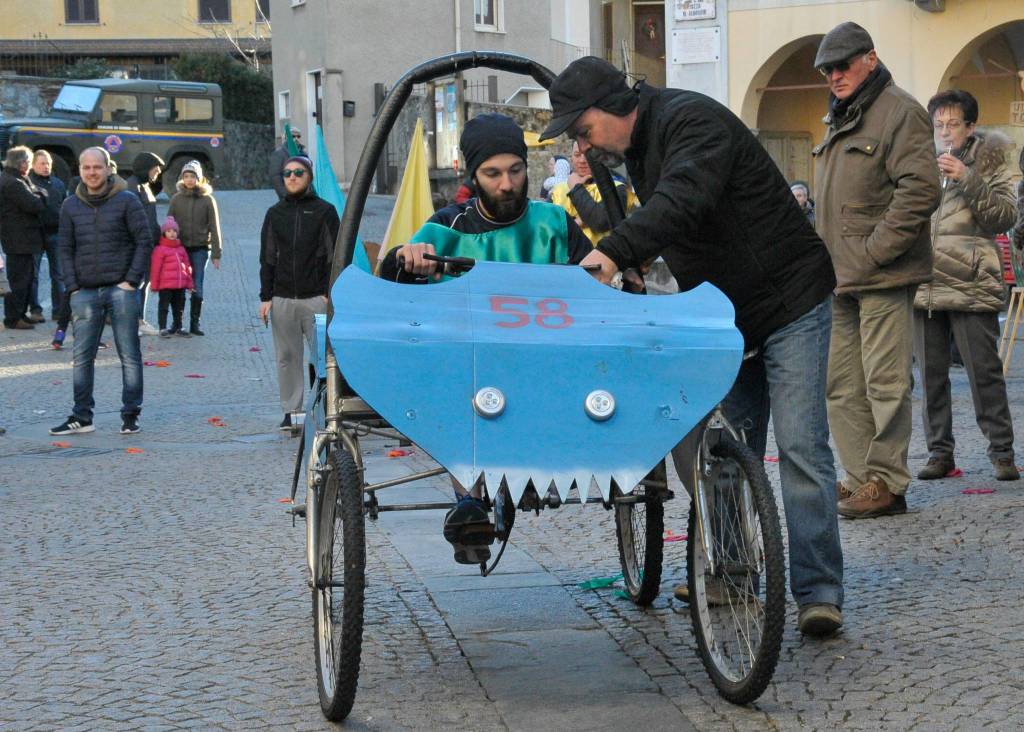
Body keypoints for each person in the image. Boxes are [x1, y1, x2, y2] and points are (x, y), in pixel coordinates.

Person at [541, 55, 844, 636]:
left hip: (789, 300)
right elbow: (680, 225)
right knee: (723, 452)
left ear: (610, 107)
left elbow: (684, 200)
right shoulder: (635, 146)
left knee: (803, 448)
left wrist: (616, 251)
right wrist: (638, 264)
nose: (580, 145)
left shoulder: (690, 120)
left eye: (582, 130)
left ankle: (817, 592)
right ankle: (731, 573)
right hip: (726, 315)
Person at [380, 113, 600, 566]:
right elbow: (393, 278)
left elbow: (598, 282)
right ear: (472, 174)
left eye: (516, 171)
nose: (507, 185)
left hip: (548, 362)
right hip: (472, 366)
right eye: (493, 174)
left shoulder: (555, 223)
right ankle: (470, 500)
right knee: (460, 388)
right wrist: (409, 257)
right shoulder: (447, 227)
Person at [812, 23, 941, 519]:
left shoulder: (898, 110)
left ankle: (887, 481)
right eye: (828, 69)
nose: (835, 75)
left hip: (881, 273)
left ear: (870, 58)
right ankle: (860, 478)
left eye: (844, 64)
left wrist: (873, 251)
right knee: (840, 383)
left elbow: (920, 193)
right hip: (838, 276)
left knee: (885, 382)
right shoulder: (842, 115)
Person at [912, 90, 1018, 482]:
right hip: (924, 282)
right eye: (938, 124)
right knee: (930, 377)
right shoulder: (919, 161)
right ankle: (939, 453)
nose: (944, 131)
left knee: (983, 374)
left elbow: (1003, 216)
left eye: (953, 124)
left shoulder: (989, 162)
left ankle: (1002, 452)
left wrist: (968, 178)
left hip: (972, 283)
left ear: (970, 127)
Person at [50, 146, 152, 436]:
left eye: (97, 167)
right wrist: (72, 287)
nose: (92, 172)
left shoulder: (127, 200)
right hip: (84, 292)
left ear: (109, 169)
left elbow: (144, 241)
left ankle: (130, 414)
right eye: (86, 168)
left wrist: (131, 281)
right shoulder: (70, 205)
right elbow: (65, 248)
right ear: (79, 171)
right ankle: (82, 417)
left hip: (121, 289)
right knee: (81, 357)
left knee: (129, 355)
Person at [259, 155, 339, 433]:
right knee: (286, 357)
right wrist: (266, 297)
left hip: (316, 297)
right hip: (282, 297)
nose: (292, 177)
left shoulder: (324, 211)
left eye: (298, 172)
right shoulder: (275, 214)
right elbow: (268, 256)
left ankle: (325, 409)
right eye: (287, 173)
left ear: (309, 177)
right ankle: (291, 411)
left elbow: (335, 255)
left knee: (322, 357)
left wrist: (331, 293)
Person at [167, 160, 221, 336]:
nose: (189, 180)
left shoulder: (207, 200)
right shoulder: (176, 199)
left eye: (193, 176)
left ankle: (195, 323)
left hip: (200, 249)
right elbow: (169, 224)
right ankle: (177, 323)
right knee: (179, 287)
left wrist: (216, 252)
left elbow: (215, 227)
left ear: (199, 179)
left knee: (196, 286)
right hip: (179, 250)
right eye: (186, 176)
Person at [550, 140, 639, 246]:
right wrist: (579, 222)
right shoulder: (558, 190)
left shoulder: (617, 188)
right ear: (572, 158)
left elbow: (601, 222)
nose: (582, 160)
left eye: (588, 155)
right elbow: (552, 228)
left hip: (604, 255)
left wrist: (575, 187)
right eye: (577, 155)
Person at [0, 146, 47, 331]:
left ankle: (20, 314)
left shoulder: (15, 179)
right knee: (19, 280)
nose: (29, 165)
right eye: (28, 161)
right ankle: (13, 318)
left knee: (24, 279)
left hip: (20, 238)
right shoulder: (14, 183)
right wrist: (41, 193)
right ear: (21, 163)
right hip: (19, 238)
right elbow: (35, 204)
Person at [124, 151, 165, 336]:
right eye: (155, 168)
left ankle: (139, 320)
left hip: (147, 244)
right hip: (138, 245)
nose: (157, 172)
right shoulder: (132, 187)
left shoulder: (145, 186)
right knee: (136, 284)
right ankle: (134, 321)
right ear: (145, 168)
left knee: (143, 283)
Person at [27, 150, 67, 326]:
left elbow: (65, 207)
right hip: (35, 234)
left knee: (58, 275)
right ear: (33, 165)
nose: (46, 167)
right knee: (33, 275)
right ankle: (35, 310)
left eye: (48, 163)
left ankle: (59, 311)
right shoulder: (26, 183)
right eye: (42, 163)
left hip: (56, 234)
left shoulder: (58, 184)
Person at [149, 215, 195, 337]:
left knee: (178, 308)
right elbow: (155, 269)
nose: (172, 233)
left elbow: (187, 267)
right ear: (164, 233)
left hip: (180, 285)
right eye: (169, 231)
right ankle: (162, 327)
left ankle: (178, 326)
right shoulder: (160, 249)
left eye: (174, 231)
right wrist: (154, 285)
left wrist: (190, 283)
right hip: (166, 285)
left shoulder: (181, 249)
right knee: (164, 306)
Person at [268, 127, 307, 200]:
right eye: (293, 136)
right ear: (286, 138)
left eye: (298, 136)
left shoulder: (303, 153)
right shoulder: (279, 153)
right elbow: (275, 176)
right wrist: (284, 194)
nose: (296, 138)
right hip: (288, 195)